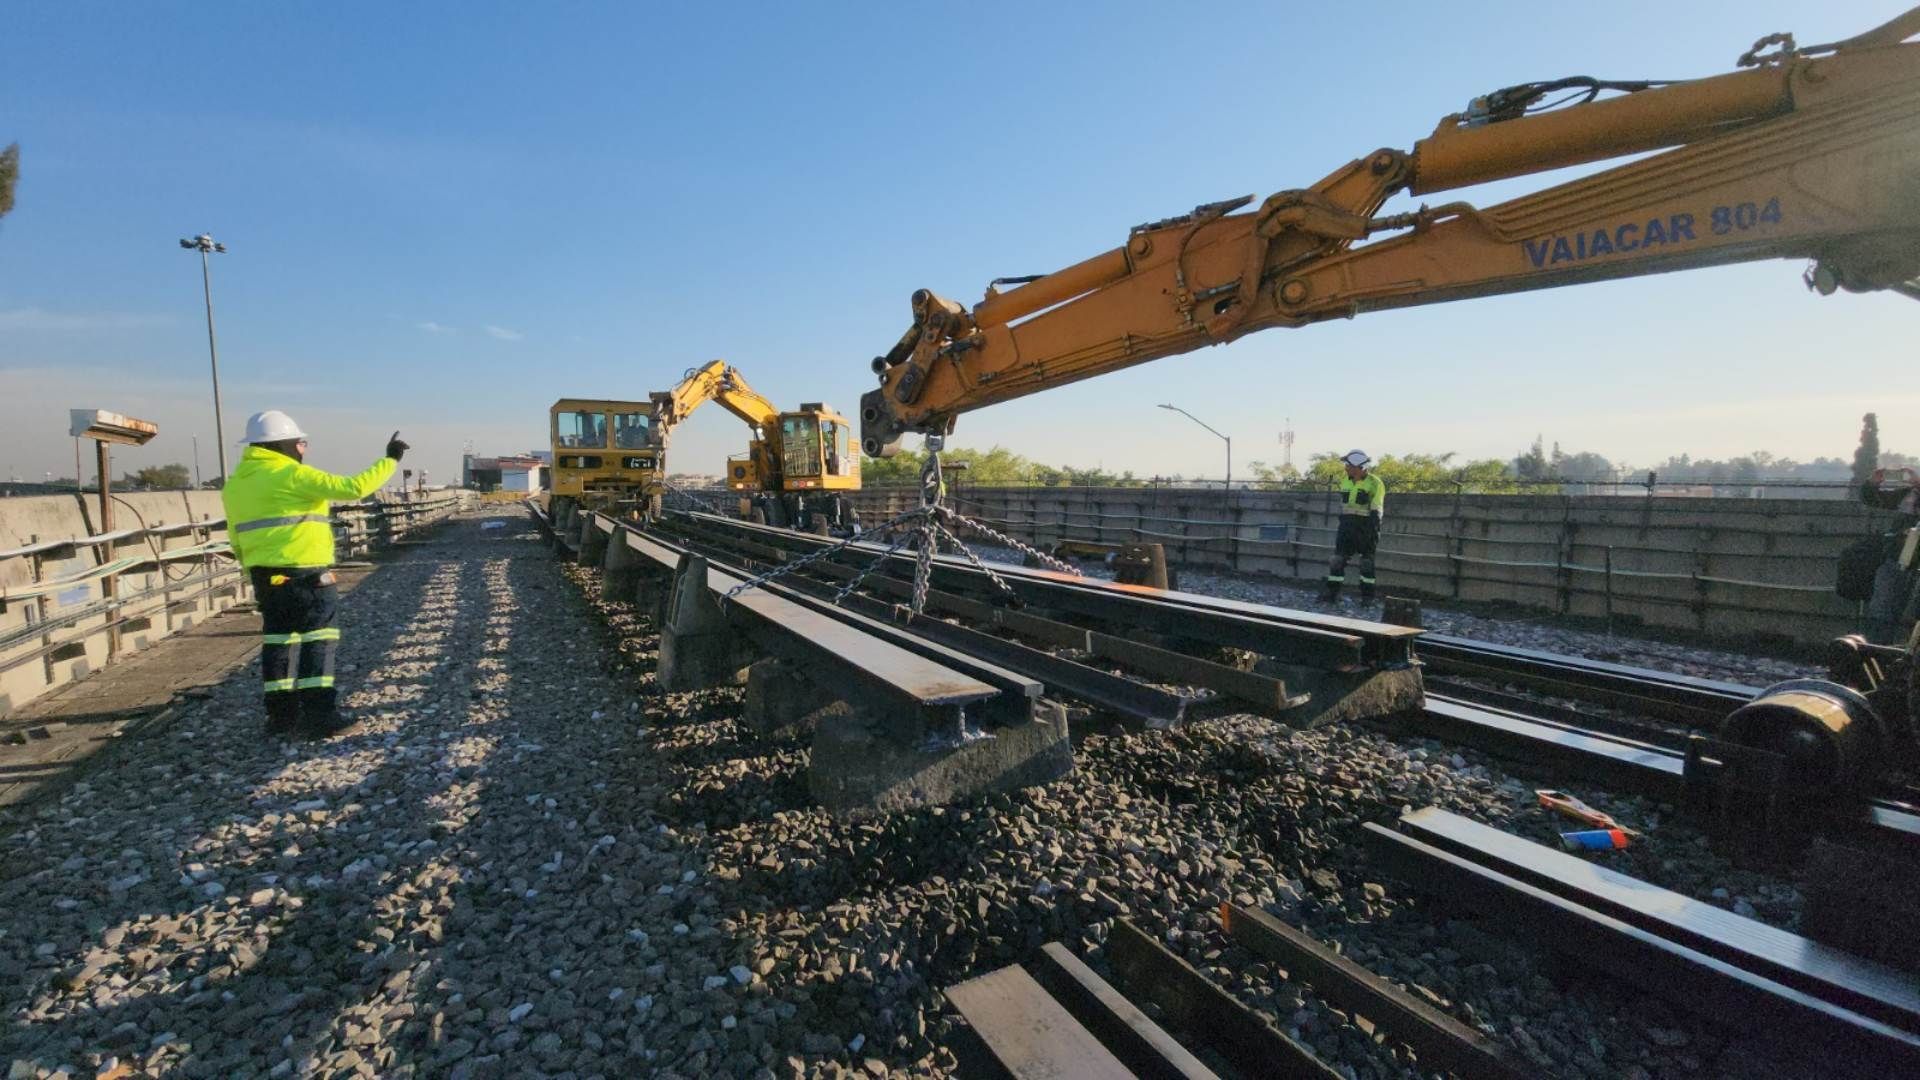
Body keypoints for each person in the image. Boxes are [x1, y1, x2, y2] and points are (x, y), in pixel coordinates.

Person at [221, 411, 409, 737]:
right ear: (283, 445)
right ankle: (319, 714)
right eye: (301, 443)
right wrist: (390, 460)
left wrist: (254, 568)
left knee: (278, 640)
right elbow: (354, 487)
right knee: (318, 637)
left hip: (266, 576)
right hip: (305, 574)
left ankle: (281, 717)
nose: (303, 449)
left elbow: (236, 537)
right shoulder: (292, 475)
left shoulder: (236, 485)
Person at [1860, 466, 1920, 645]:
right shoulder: (1909, 494)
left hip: (1911, 561)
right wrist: (1873, 484)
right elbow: (1874, 500)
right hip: (1897, 558)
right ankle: (1877, 650)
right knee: (1882, 610)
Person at [1322, 449, 1385, 604]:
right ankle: (1332, 595)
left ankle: (1367, 598)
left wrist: (1373, 531)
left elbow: (1376, 509)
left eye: (1348, 465)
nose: (1345, 467)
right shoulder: (1345, 481)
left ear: (1358, 466)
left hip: (1366, 527)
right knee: (1337, 560)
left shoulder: (1375, 483)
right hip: (1346, 526)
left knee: (1366, 564)